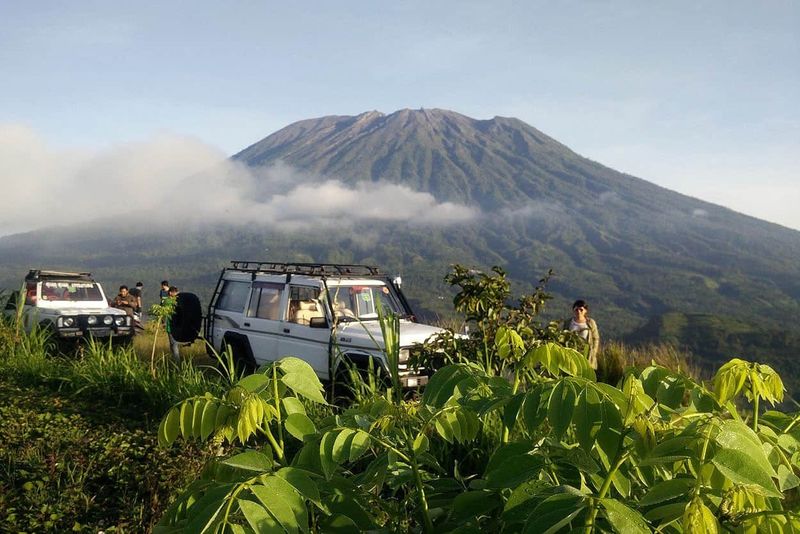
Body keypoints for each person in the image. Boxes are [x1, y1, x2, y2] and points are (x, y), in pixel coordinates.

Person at [566, 299, 600, 370]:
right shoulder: (568, 323)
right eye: (576, 309)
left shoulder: (590, 323)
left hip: (586, 352)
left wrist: (594, 352)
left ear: (585, 310)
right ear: (573, 310)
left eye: (581, 309)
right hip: (572, 351)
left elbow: (595, 338)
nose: (578, 311)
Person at [165, 286, 181, 363]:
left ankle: (177, 362)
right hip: (174, 326)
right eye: (175, 292)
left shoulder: (168, 301)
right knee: (173, 344)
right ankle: (175, 361)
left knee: (174, 345)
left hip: (172, 327)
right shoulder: (174, 301)